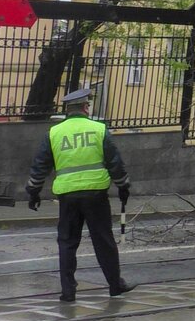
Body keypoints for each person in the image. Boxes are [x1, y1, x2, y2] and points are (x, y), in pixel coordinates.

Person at [26, 88, 135, 302]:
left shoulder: (54, 133)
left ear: (68, 110)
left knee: (67, 242)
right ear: (86, 107)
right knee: (104, 241)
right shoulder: (99, 129)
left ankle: (68, 291)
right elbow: (115, 163)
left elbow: (40, 166)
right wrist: (123, 186)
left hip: (67, 196)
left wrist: (33, 192)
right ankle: (115, 286)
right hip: (95, 194)